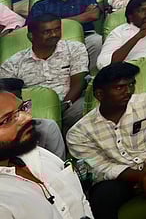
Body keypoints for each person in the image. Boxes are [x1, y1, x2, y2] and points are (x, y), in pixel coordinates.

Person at [67, 62, 146, 219]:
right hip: (120, 177)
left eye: (131, 85)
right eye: (119, 88)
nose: (128, 91)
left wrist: (145, 172)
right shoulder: (79, 132)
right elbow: (98, 167)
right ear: (100, 95)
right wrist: (139, 177)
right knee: (102, 197)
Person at [0, 89, 93, 219]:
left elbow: (80, 200)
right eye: (7, 119)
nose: (27, 118)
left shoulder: (37, 153)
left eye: (23, 108)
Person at [0, 15, 88, 130]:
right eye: (47, 32)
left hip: (70, 103)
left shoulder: (74, 48)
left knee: (82, 109)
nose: (54, 35)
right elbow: (6, 95)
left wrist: (64, 105)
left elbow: (79, 82)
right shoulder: (13, 63)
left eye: (57, 29)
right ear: (31, 36)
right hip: (34, 111)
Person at [28, 0, 104, 68]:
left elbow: (93, 15)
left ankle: (91, 74)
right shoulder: (41, 5)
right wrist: (82, 16)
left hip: (86, 35)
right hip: (53, 39)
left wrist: (55, 22)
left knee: (97, 41)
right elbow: (37, 26)